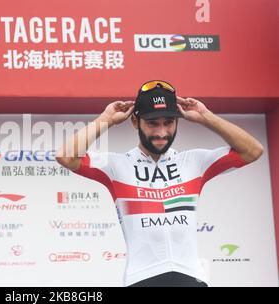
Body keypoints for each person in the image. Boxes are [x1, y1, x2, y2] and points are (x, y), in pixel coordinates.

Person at [55, 80, 264, 287]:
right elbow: (66, 156)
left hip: (190, 277)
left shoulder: (194, 162)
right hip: (141, 279)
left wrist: (206, 118)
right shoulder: (116, 166)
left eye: (168, 122)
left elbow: (252, 151)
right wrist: (106, 120)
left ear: (177, 122)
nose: (161, 132)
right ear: (136, 122)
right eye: (152, 123)